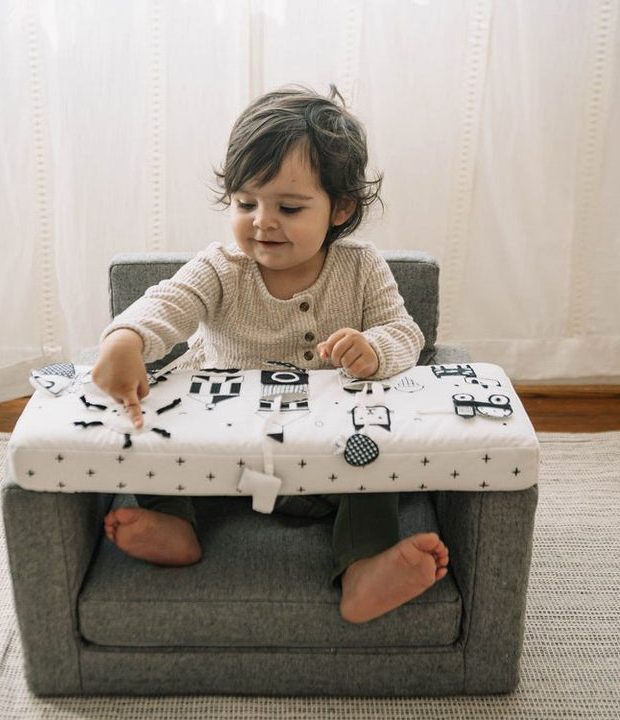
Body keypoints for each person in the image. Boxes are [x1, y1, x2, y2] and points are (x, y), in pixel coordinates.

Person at [92, 85, 449, 623]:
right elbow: (168, 303)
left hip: (330, 463)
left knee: (378, 458)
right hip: (221, 462)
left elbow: (405, 333)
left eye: (288, 207)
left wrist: (373, 349)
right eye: (245, 203)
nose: (261, 221)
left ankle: (363, 567)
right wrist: (127, 338)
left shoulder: (361, 266)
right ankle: (176, 524)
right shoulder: (220, 268)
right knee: (156, 438)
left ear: (340, 208)